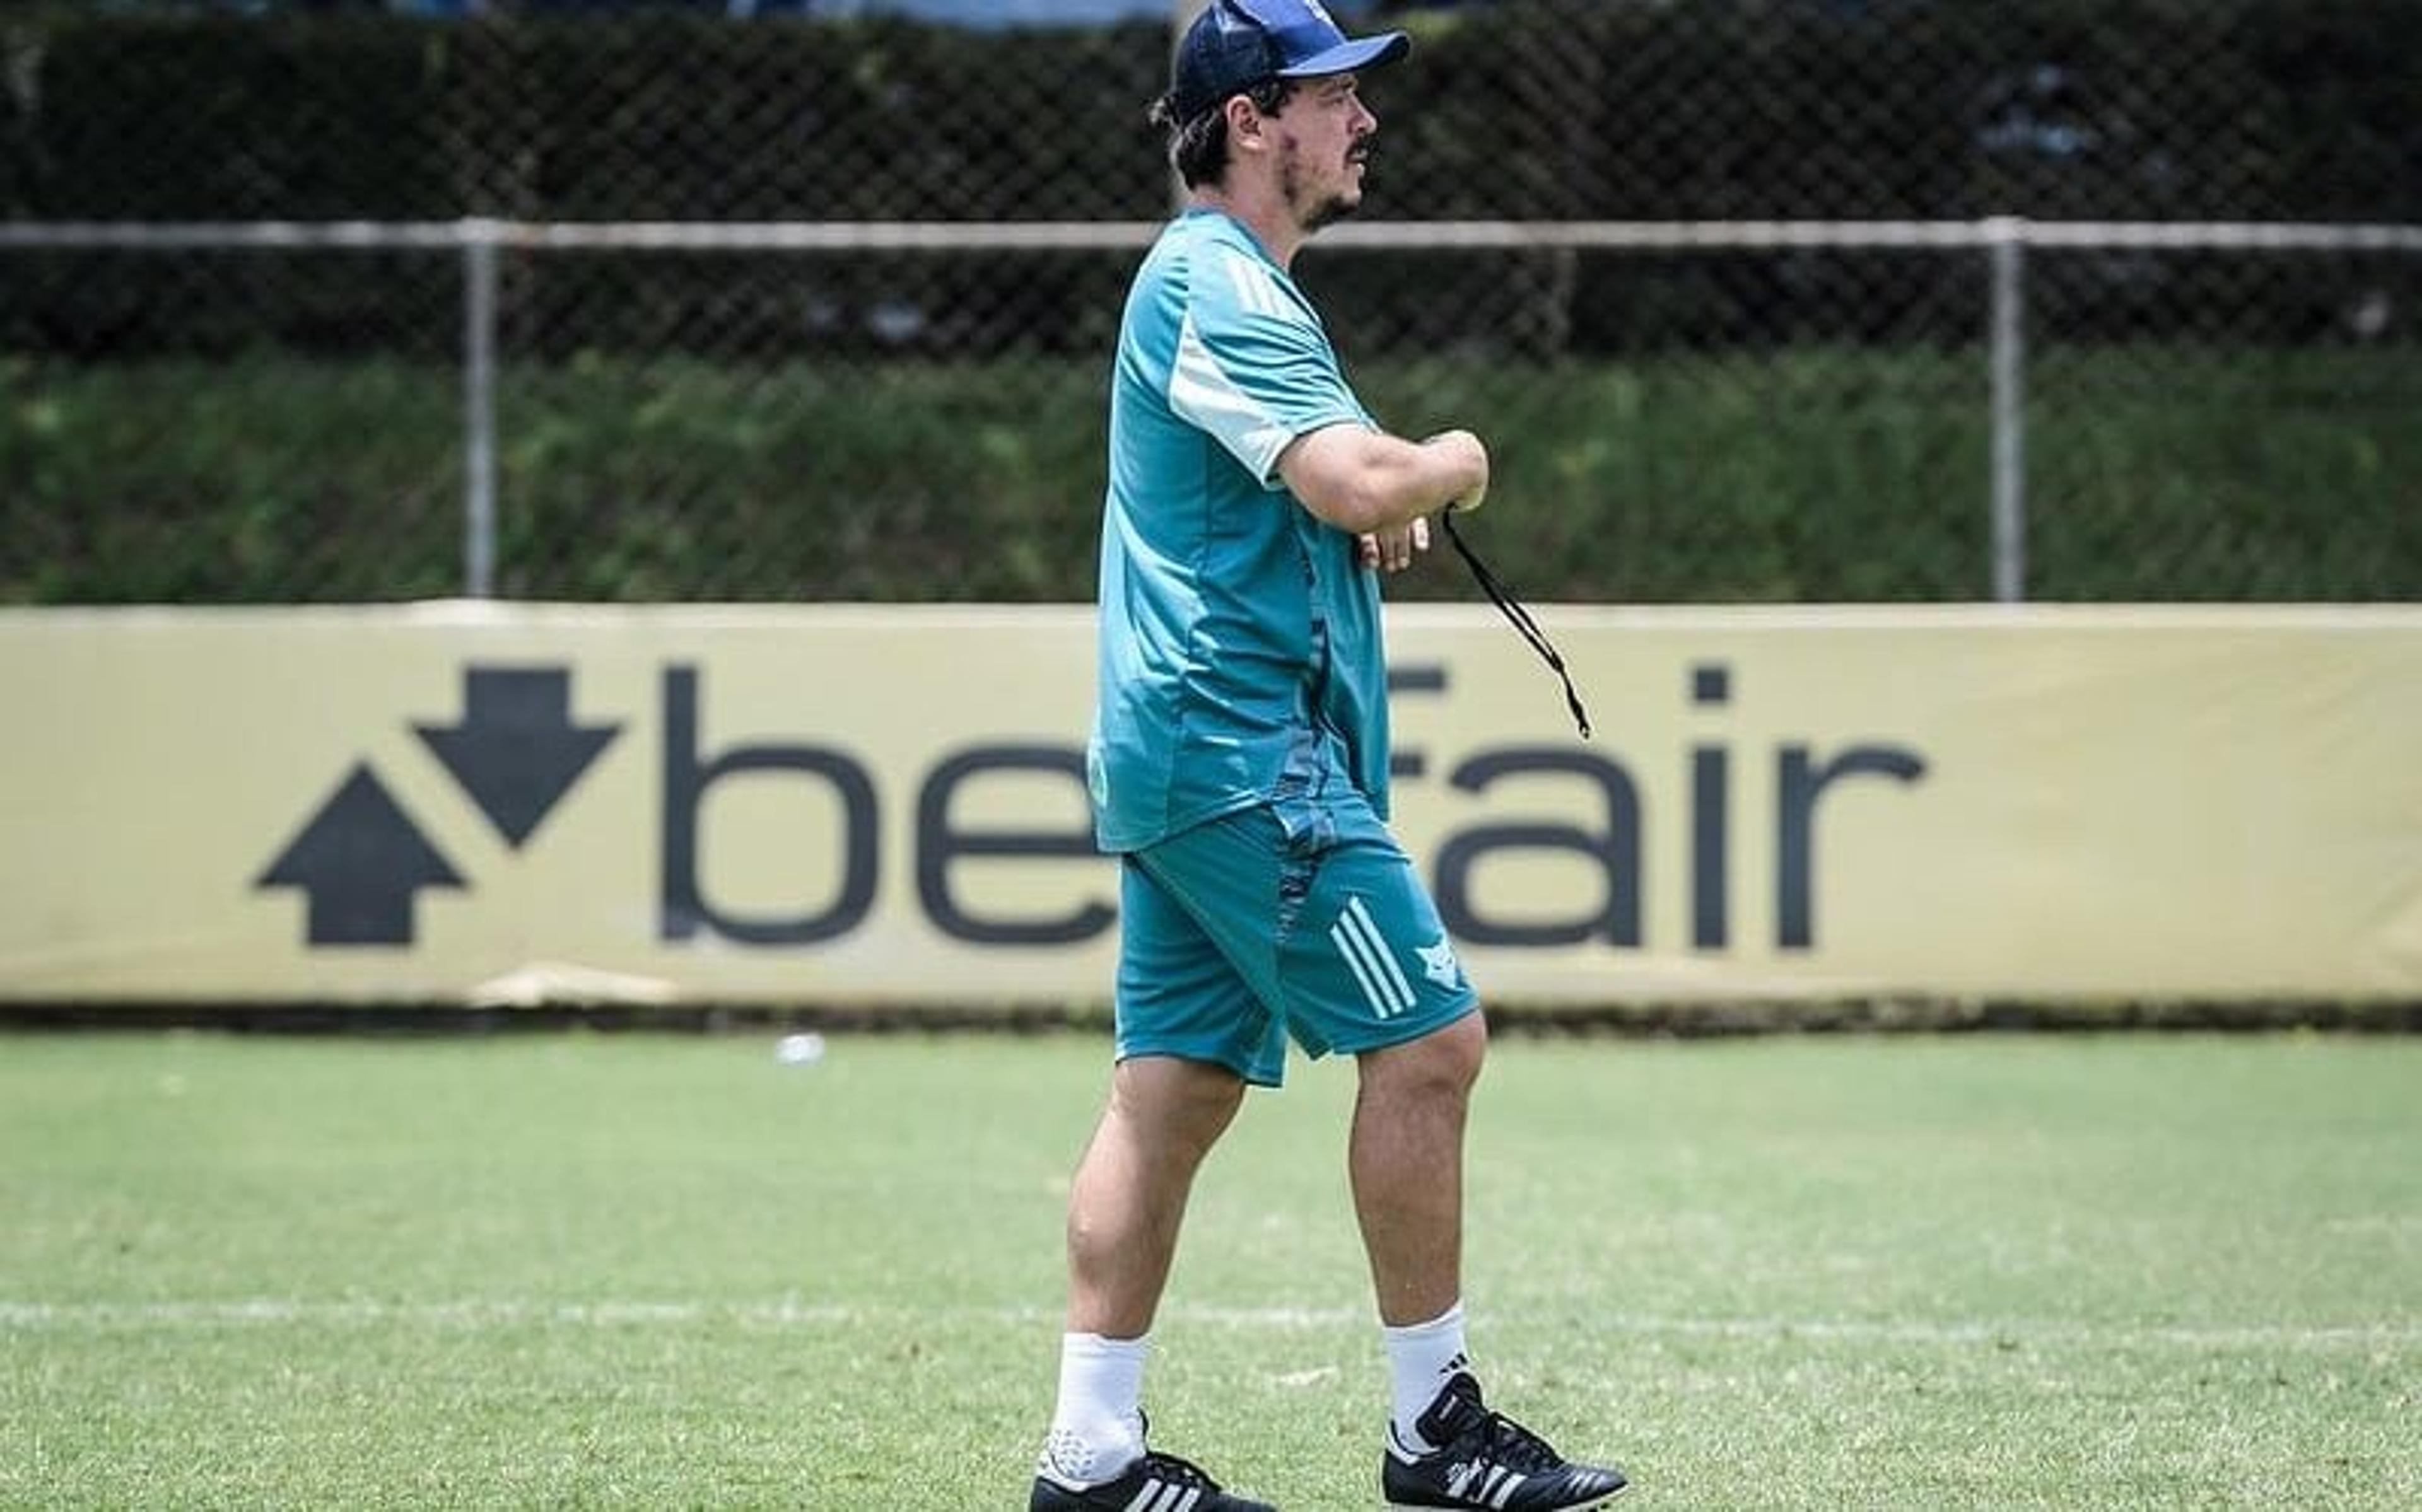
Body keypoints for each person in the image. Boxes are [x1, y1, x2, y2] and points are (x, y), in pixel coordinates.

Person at [1031, 3, 1630, 1509]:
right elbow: (1356, 474)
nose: (1363, 119)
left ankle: (1090, 1454)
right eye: (1333, 95)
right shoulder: (1216, 277)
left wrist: (1369, 501)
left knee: (1167, 1095)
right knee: (1430, 1043)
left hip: (1194, 755)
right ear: (1251, 121)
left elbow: (1313, 488)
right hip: (1241, 753)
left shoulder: (1230, 288)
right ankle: (1435, 1428)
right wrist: (1449, 460)